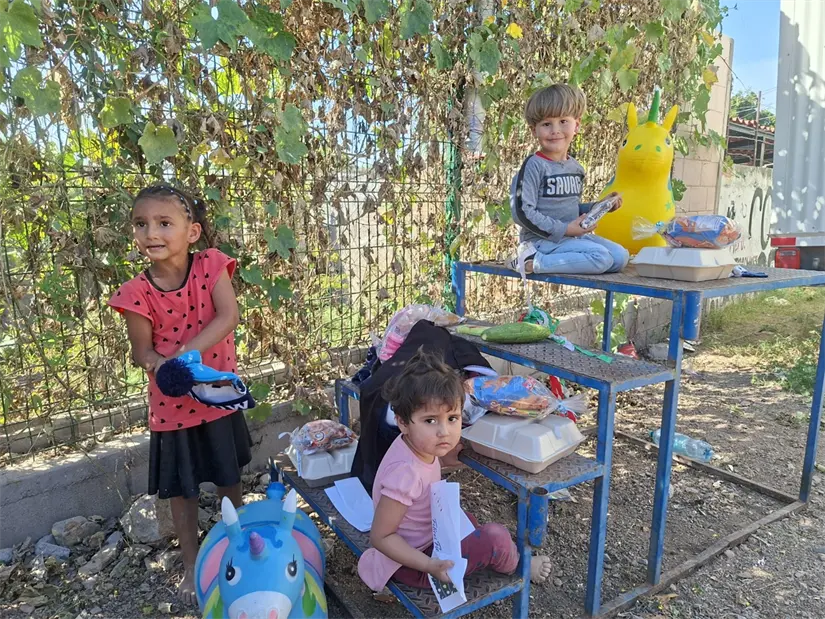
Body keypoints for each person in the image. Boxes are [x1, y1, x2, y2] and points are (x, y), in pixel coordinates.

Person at [108, 185, 251, 605]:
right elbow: (142, 352)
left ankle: (236, 549)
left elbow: (229, 316)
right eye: (141, 224)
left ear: (193, 232)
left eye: (164, 223)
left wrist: (185, 356)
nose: (151, 232)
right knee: (183, 493)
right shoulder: (136, 293)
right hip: (173, 410)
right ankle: (191, 564)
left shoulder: (212, 266)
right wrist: (161, 365)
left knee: (229, 479)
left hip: (218, 396)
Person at [357, 349, 553, 593]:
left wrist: (443, 459)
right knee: (495, 538)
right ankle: (519, 565)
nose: (444, 431)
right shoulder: (405, 474)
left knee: (467, 520)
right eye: (430, 420)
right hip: (411, 563)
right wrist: (429, 565)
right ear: (403, 422)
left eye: (452, 418)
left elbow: (422, 478)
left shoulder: (415, 446)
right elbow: (381, 537)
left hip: (427, 538)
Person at [507, 84, 629, 275]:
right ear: (534, 130)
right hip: (541, 242)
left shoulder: (576, 168)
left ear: (576, 126)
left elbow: (571, 208)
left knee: (621, 257)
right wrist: (564, 229)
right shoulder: (534, 165)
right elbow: (522, 213)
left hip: (570, 238)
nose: (555, 130)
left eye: (563, 121)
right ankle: (531, 262)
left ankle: (546, 260)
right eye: (546, 124)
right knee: (601, 258)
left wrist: (599, 206)